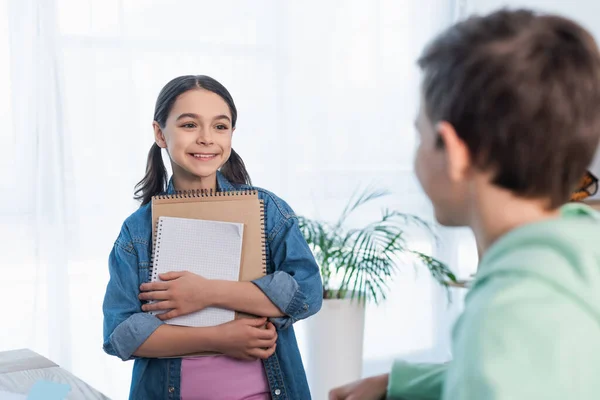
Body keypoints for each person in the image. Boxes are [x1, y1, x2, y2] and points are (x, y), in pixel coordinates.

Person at [330, 8, 600, 400]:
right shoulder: (580, 249)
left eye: (420, 135)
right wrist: (402, 384)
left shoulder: (505, 317)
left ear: (454, 151)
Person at [102, 75, 323, 400]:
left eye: (220, 126)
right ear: (160, 133)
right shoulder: (138, 231)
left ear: (232, 134)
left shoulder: (268, 211)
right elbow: (121, 335)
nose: (206, 138)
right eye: (190, 125)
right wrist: (219, 337)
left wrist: (206, 292)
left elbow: (307, 293)